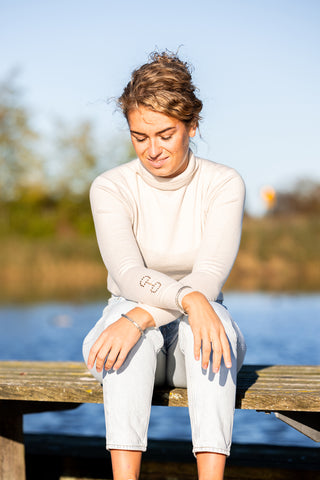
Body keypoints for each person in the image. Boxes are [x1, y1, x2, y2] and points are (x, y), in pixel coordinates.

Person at [83, 50, 246, 480]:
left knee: (207, 324)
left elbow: (208, 274)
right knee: (127, 336)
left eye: (165, 134)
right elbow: (128, 275)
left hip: (193, 329)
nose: (152, 150)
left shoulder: (223, 183)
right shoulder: (111, 187)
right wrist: (156, 310)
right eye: (140, 137)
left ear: (192, 126)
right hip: (126, 328)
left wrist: (148, 313)